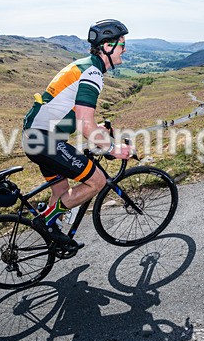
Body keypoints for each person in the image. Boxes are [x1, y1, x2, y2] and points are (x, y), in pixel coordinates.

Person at [22, 19, 133, 249]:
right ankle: (45, 222)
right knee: (97, 181)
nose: (125, 49)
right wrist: (113, 148)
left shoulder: (85, 66)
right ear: (107, 47)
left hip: (38, 138)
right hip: (43, 140)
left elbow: (75, 114)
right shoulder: (92, 73)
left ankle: (55, 242)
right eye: (122, 44)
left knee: (62, 192)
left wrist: (98, 130)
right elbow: (84, 125)